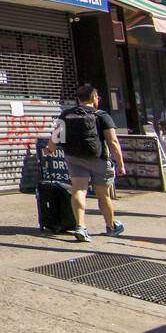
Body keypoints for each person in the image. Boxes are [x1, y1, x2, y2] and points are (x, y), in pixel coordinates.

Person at [46, 83, 126, 242]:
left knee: (78, 190)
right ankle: (110, 226)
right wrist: (121, 164)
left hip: (74, 157)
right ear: (94, 98)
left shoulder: (65, 115)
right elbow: (113, 141)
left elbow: (55, 137)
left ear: (78, 99)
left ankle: (80, 226)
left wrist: (50, 149)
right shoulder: (102, 115)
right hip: (98, 159)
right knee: (103, 195)